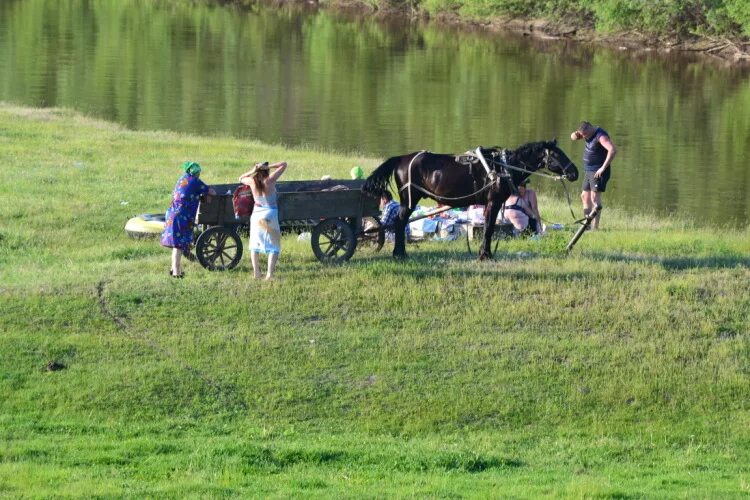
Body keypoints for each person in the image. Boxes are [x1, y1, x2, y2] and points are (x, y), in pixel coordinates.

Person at [161, 161, 216, 278]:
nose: (199, 174)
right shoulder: (194, 181)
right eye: (199, 172)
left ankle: (173, 269)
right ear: (196, 173)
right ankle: (176, 272)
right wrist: (207, 194)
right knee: (178, 245)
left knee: (177, 244)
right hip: (181, 216)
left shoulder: (182, 178)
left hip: (172, 213)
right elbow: (212, 191)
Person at [239, 161, 288, 280]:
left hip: (256, 214)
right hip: (270, 214)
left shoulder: (252, 181)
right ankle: (269, 275)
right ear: (266, 171)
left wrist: (253, 170)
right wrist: (268, 166)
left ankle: (256, 273)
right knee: (274, 245)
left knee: (255, 244)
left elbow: (240, 178)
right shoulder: (270, 180)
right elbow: (284, 164)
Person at [570, 121, 617, 230]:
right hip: (588, 170)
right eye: (582, 135)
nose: (583, 137)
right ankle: (586, 226)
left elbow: (612, 150)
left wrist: (603, 168)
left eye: (584, 135)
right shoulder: (586, 133)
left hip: (598, 171)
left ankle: (595, 228)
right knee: (584, 196)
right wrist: (577, 135)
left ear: (590, 129)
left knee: (594, 198)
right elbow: (573, 137)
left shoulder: (600, 136)